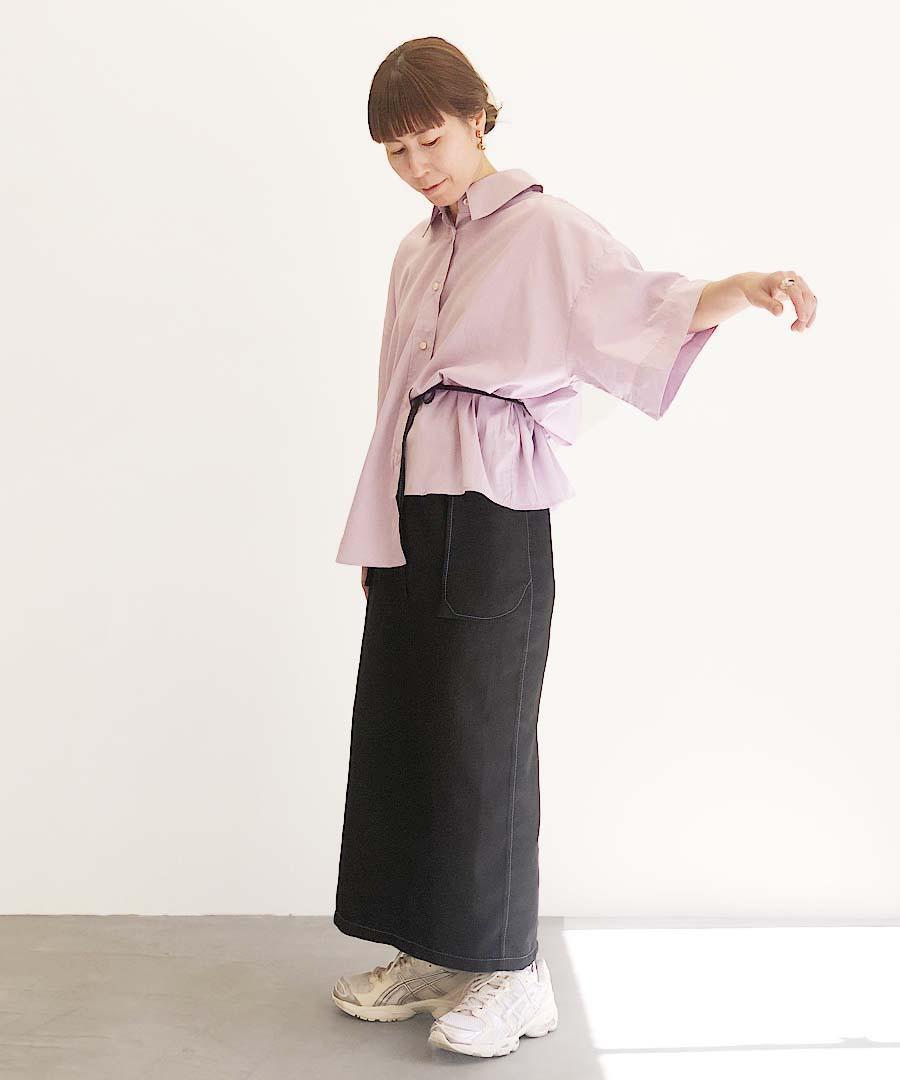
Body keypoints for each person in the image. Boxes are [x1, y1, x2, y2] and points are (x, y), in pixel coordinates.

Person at [330, 36, 817, 1060]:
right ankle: (437, 950)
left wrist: (741, 286)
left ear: (478, 118)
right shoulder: (415, 251)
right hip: (415, 510)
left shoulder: (544, 228)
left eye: (431, 140)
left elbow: (646, 302)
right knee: (407, 731)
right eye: (396, 152)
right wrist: (376, 525)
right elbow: (389, 398)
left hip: (496, 509)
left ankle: (512, 974)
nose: (418, 166)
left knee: (484, 743)